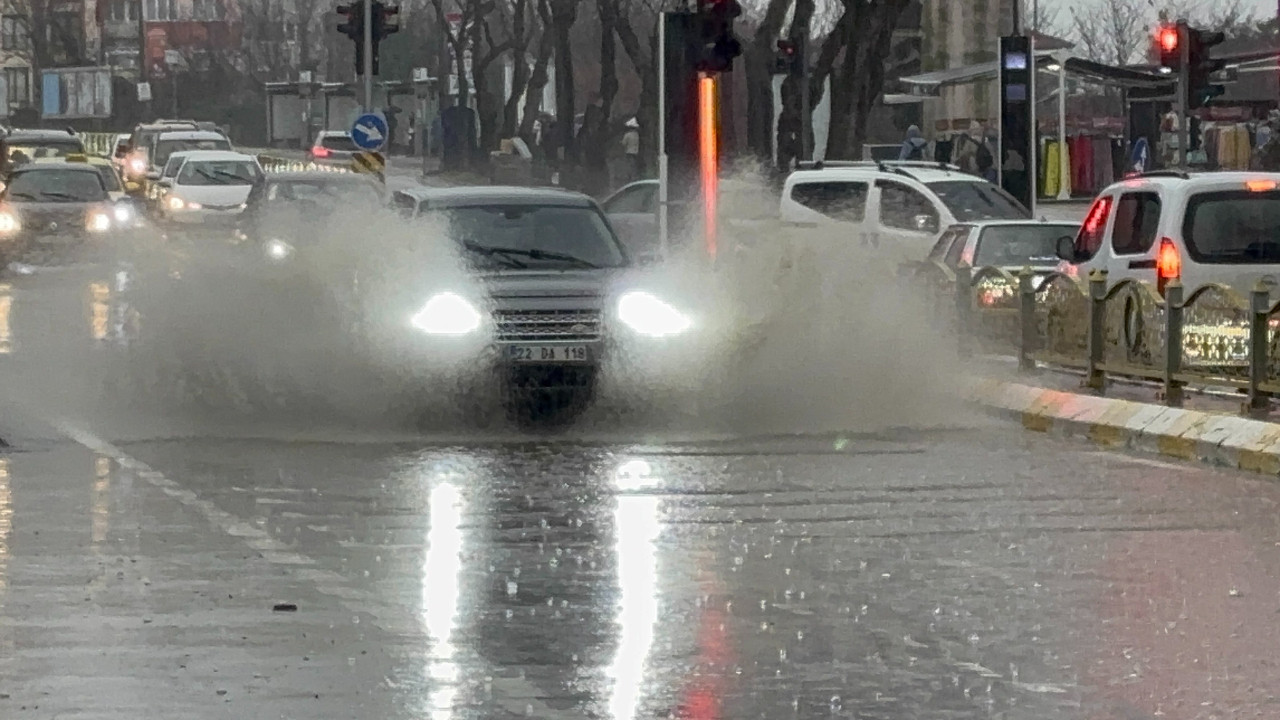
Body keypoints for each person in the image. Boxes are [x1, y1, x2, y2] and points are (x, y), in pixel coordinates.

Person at [621, 117, 640, 182]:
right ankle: (634, 176)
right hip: (636, 152)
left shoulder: (627, 135)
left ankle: (630, 177)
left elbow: (624, 143)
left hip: (629, 152)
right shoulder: (636, 135)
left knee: (629, 165)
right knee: (634, 165)